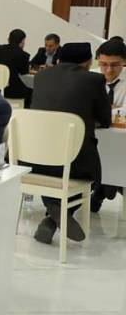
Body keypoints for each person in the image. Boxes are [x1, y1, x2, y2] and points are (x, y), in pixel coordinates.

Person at [30, 42, 110, 244]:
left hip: (33, 158)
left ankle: (53, 211)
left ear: (59, 59)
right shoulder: (94, 79)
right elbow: (105, 119)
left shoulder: (40, 76)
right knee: (89, 176)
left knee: (52, 171)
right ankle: (57, 214)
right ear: (89, 62)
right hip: (73, 162)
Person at [90, 38, 126, 212]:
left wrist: (102, 110)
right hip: (95, 138)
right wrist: (114, 109)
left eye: (115, 65)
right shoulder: (90, 77)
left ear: (124, 62)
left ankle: (103, 189)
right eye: (104, 64)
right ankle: (105, 187)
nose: (109, 70)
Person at [0, 28, 32, 105]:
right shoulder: (23, 55)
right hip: (12, 90)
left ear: (8, 39)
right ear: (22, 42)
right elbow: (24, 72)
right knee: (30, 91)